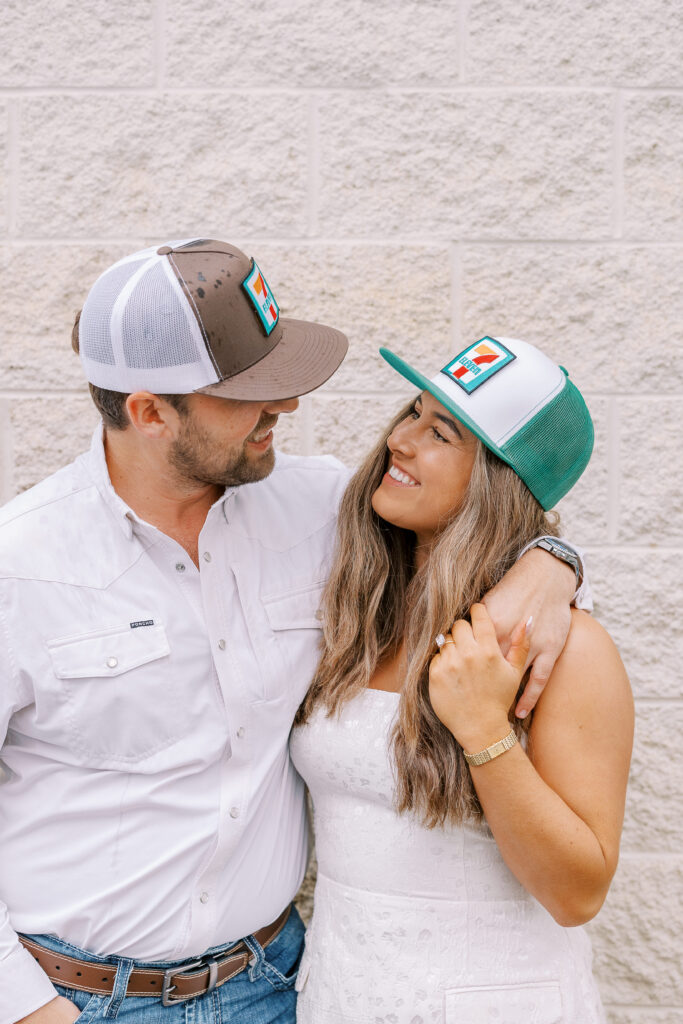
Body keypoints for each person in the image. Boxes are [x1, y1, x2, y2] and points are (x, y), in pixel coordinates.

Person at [0, 241, 586, 1024]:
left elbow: (479, 517)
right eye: (251, 393)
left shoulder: (320, 509)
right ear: (149, 412)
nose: (287, 408)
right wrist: (30, 1009)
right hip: (80, 1002)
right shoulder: (21, 566)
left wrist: (554, 561)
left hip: (275, 988)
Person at [292, 337, 633, 1024]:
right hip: (340, 998)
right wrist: (556, 556)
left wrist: (482, 730)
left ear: (498, 483)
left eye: (440, 432)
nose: (399, 439)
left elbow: (577, 892)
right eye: (412, 413)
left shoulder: (567, 650)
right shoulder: (362, 614)